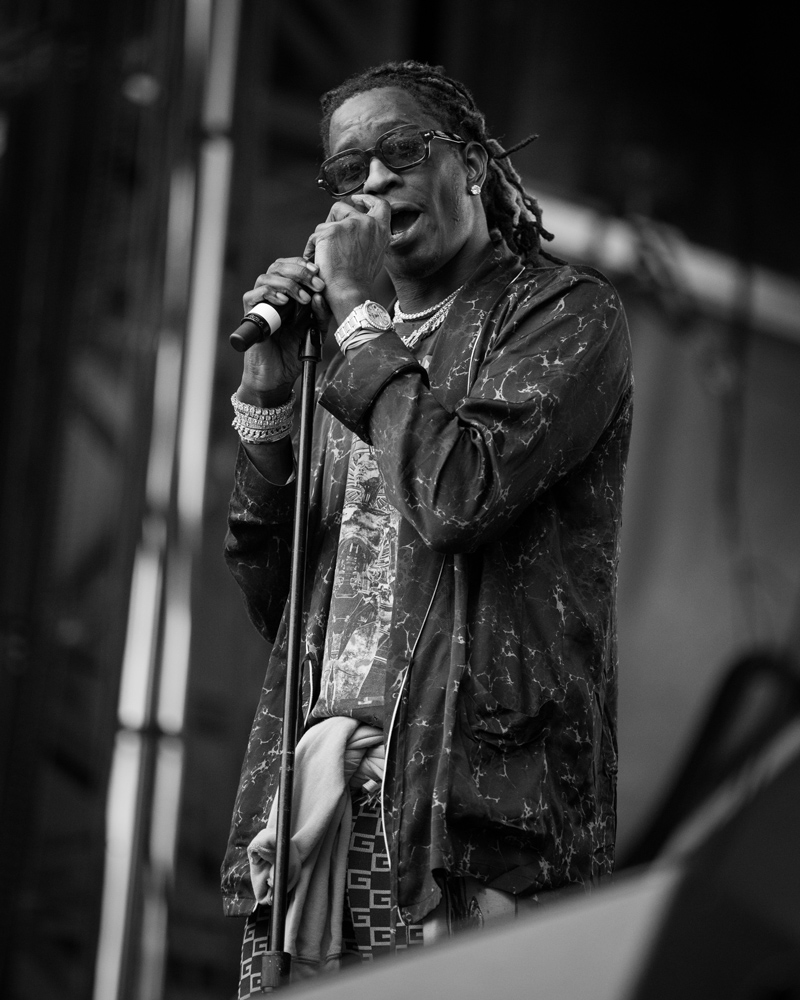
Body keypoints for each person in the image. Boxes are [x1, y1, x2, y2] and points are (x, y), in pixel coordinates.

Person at [222, 61, 633, 992]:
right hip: (321, 814)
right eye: (348, 168)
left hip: (470, 821)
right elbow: (275, 603)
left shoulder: (564, 313)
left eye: (401, 150)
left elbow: (459, 495)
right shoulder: (346, 352)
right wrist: (271, 399)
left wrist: (358, 321)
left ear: (474, 165)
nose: (373, 179)